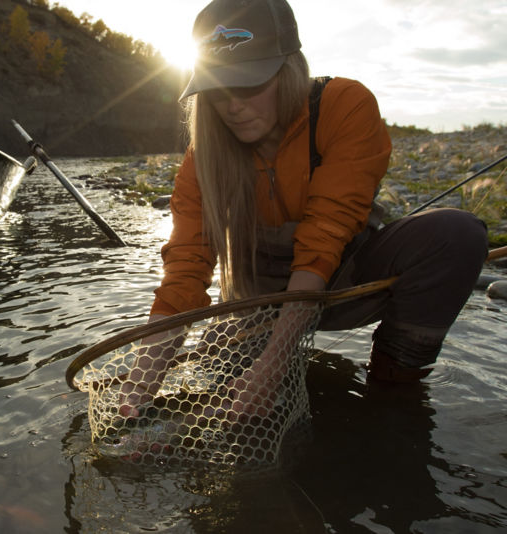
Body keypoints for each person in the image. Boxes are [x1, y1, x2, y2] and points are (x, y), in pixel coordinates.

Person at [119, 0, 488, 419]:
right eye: (217, 88)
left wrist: (275, 366)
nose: (231, 105)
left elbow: (326, 234)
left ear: (290, 69)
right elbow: (186, 267)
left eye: (248, 84)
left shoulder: (345, 105)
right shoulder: (201, 159)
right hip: (256, 302)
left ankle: (393, 390)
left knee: (457, 236)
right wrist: (142, 379)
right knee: (232, 408)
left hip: (343, 278)